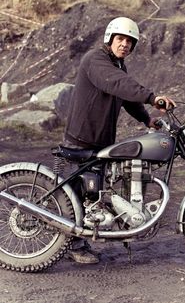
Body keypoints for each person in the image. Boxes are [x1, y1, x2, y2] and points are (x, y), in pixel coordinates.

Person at [63, 16, 175, 264]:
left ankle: (87, 236)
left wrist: (147, 119)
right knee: (81, 193)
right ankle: (74, 243)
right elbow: (117, 84)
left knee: (93, 192)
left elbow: (126, 97)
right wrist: (153, 97)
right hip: (83, 137)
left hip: (99, 138)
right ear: (110, 38)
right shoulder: (96, 59)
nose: (124, 44)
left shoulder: (117, 65)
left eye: (129, 41)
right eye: (120, 39)